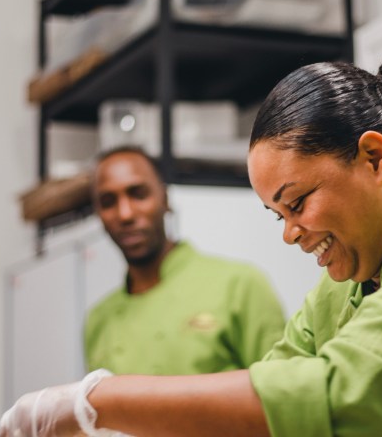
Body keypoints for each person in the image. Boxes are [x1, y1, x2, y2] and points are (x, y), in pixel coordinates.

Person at [0, 50, 382, 437]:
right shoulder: (339, 293)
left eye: (296, 203)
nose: (291, 232)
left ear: (374, 158)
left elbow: (337, 396)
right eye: (276, 214)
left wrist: (94, 401)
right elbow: (268, 404)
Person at [83, 145, 285, 376]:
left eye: (138, 194)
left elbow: (281, 393)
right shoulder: (98, 321)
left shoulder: (239, 285)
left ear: (165, 199)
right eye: (108, 202)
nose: (125, 214)